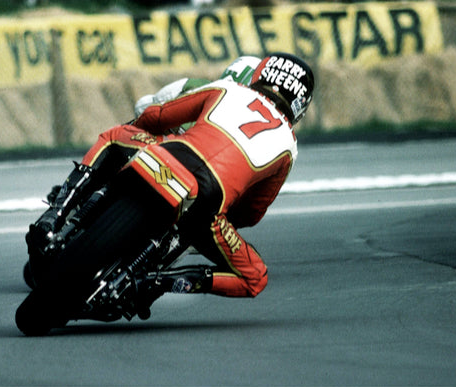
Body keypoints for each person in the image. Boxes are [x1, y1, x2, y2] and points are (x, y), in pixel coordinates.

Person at [30, 52, 314, 314]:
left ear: (256, 76)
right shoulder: (289, 147)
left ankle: (54, 214)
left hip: (164, 157)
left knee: (115, 135)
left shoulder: (223, 89)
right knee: (255, 277)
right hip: (205, 203)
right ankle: (158, 282)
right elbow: (253, 213)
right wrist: (225, 216)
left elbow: (153, 114)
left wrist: (146, 130)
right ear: (300, 106)